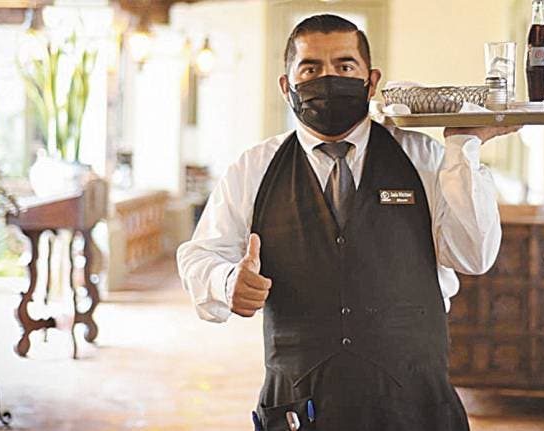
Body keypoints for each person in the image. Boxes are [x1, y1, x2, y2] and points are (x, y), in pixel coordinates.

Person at [177, 14, 520, 431]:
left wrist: (463, 146)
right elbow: (199, 256)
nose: (328, 80)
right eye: (310, 69)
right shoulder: (254, 168)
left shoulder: (422, 157)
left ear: (371, 82)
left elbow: (473, 256)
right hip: (301, 404)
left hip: (414, 402)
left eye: (344, 66)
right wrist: (227, 281)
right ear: (286, 86)